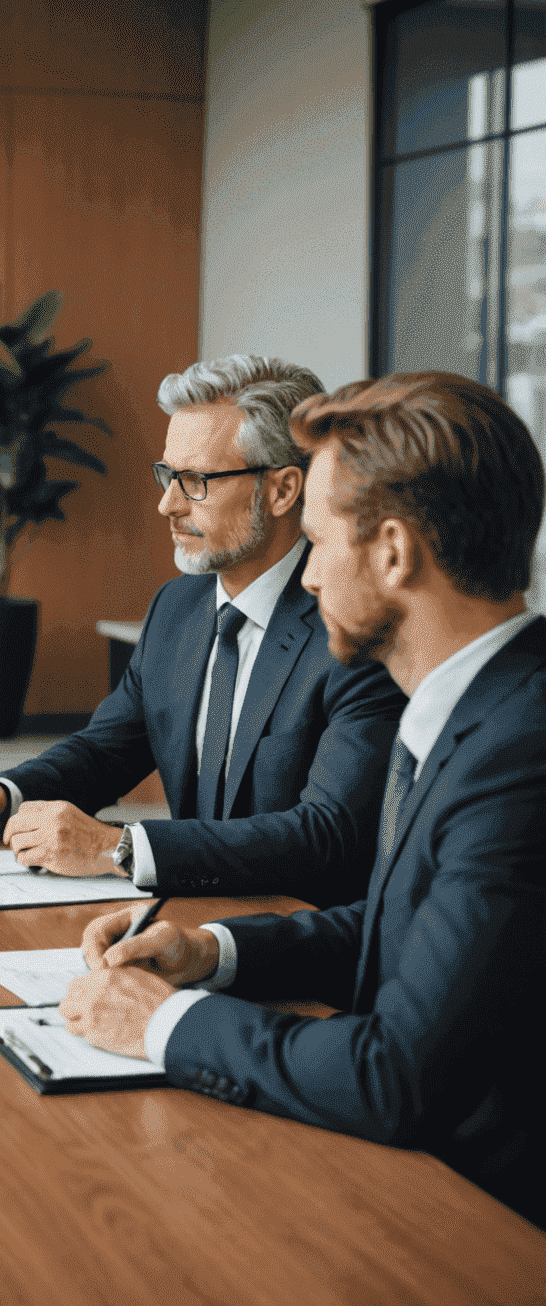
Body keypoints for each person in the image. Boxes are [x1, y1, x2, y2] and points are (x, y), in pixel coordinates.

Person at [61, 372, 546, 1227]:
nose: (308, 575)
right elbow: (400, 924)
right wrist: (208, 952)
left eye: (318, 542)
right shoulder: (475, 702)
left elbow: (395, 1075)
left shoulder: (521, 752)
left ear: (394, 552)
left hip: (486, 1217)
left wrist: (165, 1024)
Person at [0, 355, 404, 906]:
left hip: (305, 946)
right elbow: (107, 750)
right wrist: (6, 794)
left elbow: (325, 833)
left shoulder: (353, 626)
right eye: (167, 475)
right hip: (186, 921)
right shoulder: (178, 607)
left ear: (282, 490)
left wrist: (121, 849)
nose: (167, 504)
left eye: (195, 481)